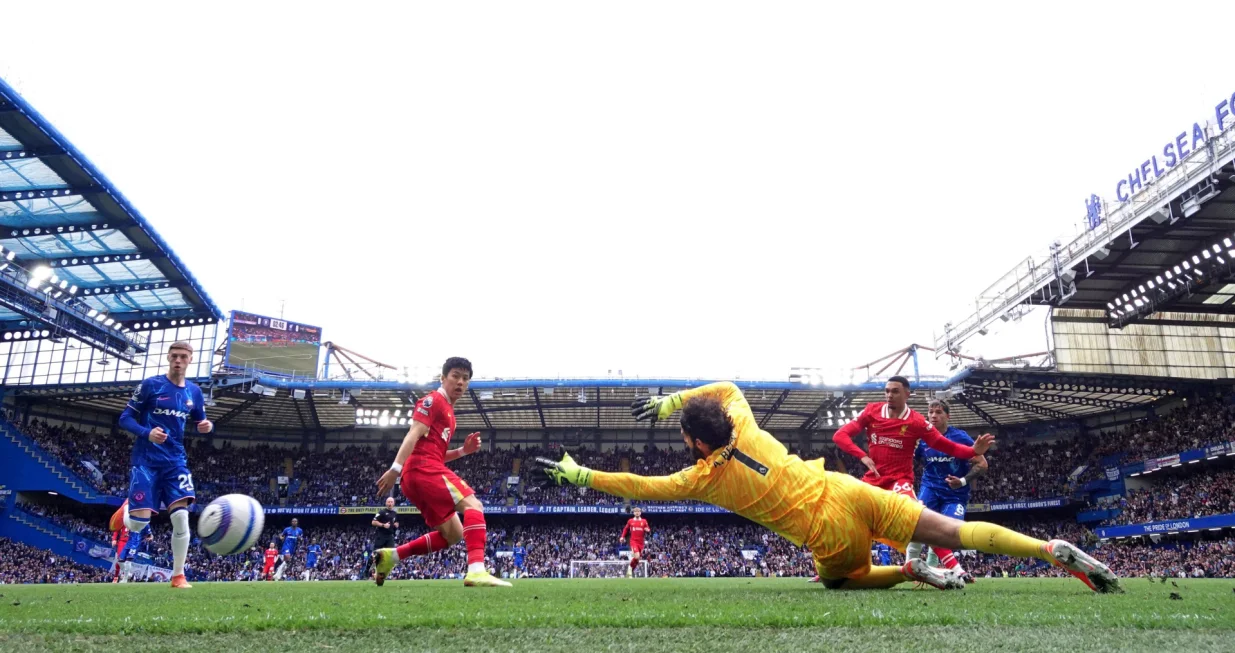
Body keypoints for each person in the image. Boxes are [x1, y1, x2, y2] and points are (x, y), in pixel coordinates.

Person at [536, 381, 1121, 593]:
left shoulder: (700, 479)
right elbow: (726, 385)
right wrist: (672, 402)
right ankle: (1048, 552)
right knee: (957, 530)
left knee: (844, 581)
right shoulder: (745, 422)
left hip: (826, 529)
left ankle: (915, 572)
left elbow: (640, 484)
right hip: (844, 486)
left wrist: (581, 475)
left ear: (693, 443)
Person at [827, 375, 988, 582]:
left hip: (900, 482)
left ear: (907, 394)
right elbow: (840, 435)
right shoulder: (871, 411)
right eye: (886, 391)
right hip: (873, 480)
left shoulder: (916, 421)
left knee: (920, 524)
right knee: (842, 519)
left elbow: (945, 445)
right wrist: (863, 456)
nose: (889, 395)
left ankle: (955, 570)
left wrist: (972, 451)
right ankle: (831, 568)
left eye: (895, 391)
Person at [373, 358, 510, 587]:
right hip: (421, 470)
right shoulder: (432, 400)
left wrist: (462, 451)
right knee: (474, 506)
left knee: (454, 534)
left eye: (465, 378)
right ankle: (477, 569)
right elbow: (413, 435)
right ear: (443, 377)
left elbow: (435, 453)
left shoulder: (449, 413)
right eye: (455, 376)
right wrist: (394, 469)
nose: (460, 382)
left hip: (420, 472)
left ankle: (391, 557)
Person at [115, 341, 212, 589]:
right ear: (168, 358)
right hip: (145, 460)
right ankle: (127, 510)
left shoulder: (194, 392)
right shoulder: (151, 385)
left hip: (175, 461)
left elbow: (201, 421)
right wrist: (147, 433)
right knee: (138, 524)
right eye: (174, 356)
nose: (178, 360)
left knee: (181, 517)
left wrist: (207, 426)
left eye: (183, 357)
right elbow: (125, 418)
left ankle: (178, 575)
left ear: (190, 360)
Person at [912, 399, 988, 583]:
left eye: (938, 412)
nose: (933, 416)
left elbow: (982, 464)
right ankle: (923, 568)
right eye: (930, 412)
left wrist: (962, 481)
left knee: (947, 532)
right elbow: (912, 461)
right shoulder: (923, 439)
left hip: (955, 495)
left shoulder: (960, 437)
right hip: (929, 489)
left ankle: (931, 564)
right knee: (916, 525)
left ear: (948, 416)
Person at [620, 507, 651, 577]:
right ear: (633, 513)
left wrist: (648, 530)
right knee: (637, 556)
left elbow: (648, 529)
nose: (637, 512)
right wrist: (622, 536)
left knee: (637, 560)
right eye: (635, 511)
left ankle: (629, 572)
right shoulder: (630, 521)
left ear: (640, 512)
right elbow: (625, 529)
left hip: (641, 543)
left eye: (638, 511)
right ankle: (629, 568)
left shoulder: (644, 521)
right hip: (633, 541)